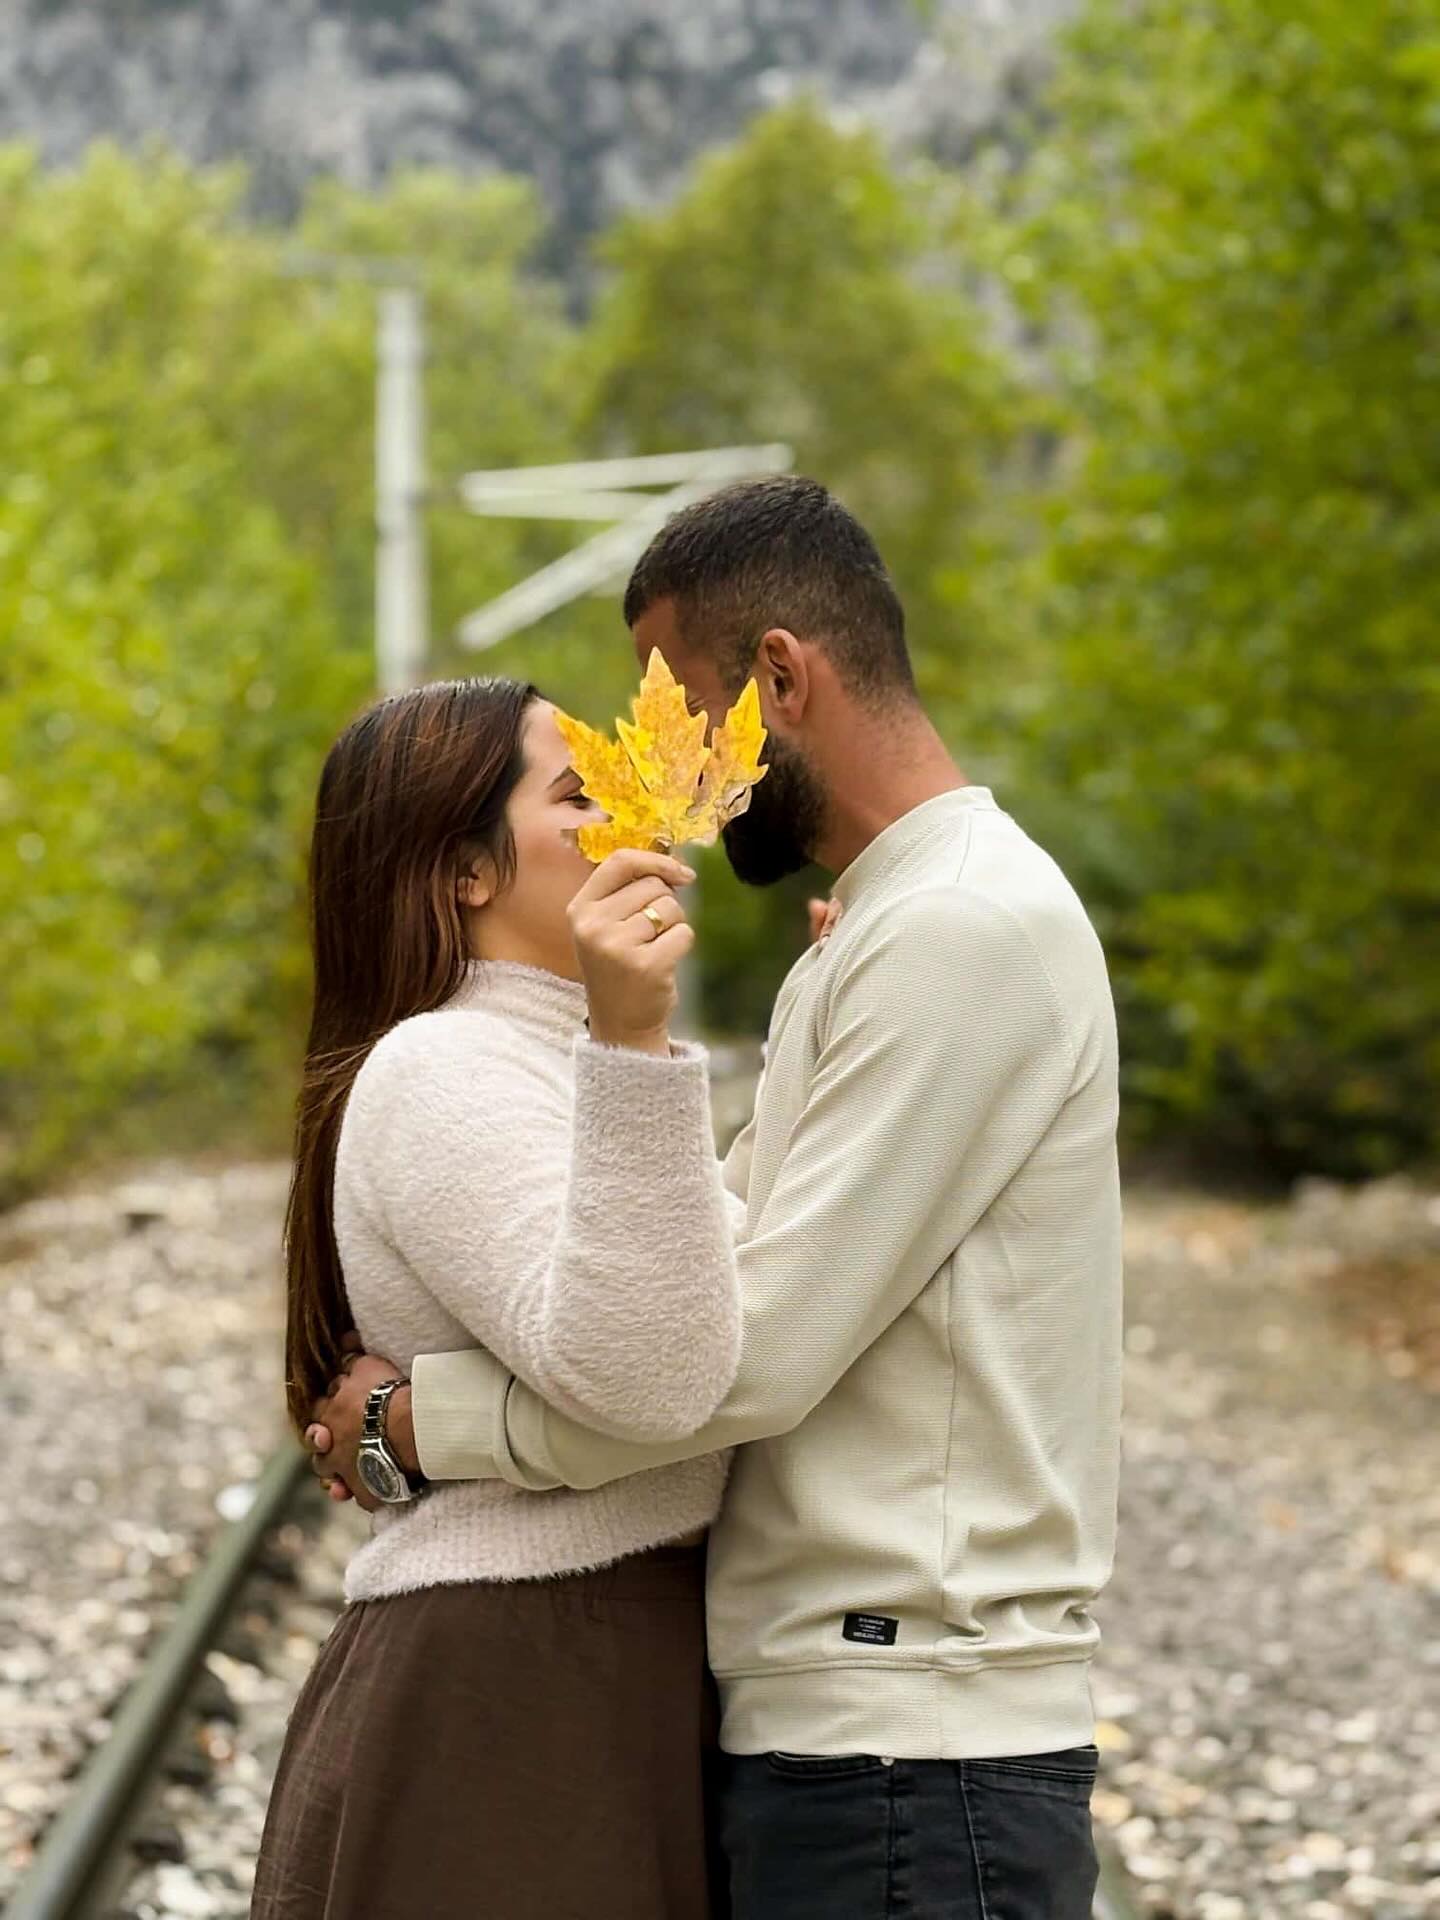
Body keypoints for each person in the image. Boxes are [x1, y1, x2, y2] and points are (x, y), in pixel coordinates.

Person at [312, 476, 1124, 1920]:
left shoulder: (953, 928)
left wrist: (421, 1421)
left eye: (679, 721)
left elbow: (724, 1354)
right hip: (856, 1725)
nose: (663, 786)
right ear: (465, 870)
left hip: (903, 1737)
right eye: (594, 780)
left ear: (779, 680)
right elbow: (712, 1277)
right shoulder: (890, 930)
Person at [251, 676, 745, 1920]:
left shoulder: (545, 1059)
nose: (629, 813)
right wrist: (632, 1049)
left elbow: (749, 1316)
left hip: (589, 1658)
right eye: (578, 794)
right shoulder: (441, 1067)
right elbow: (650, 1377)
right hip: (517, 1682)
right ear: (467, 871)